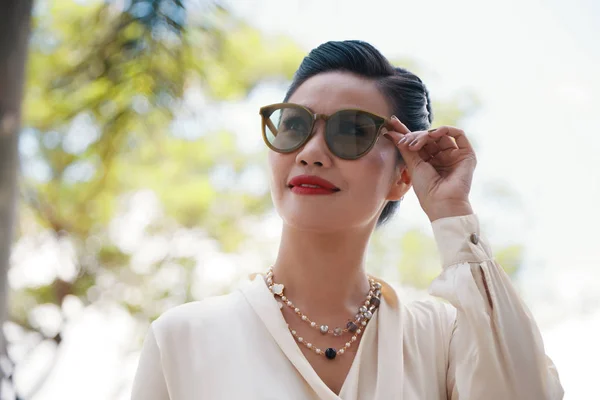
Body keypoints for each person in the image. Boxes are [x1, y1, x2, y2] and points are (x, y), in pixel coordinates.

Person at [131, 40, 563, 400]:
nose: (311, 151)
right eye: (294, 125)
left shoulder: (441, 337)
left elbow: (523, 390)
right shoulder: (182, 340)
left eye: (352, 131)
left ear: (403, 175)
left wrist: (451, 213)